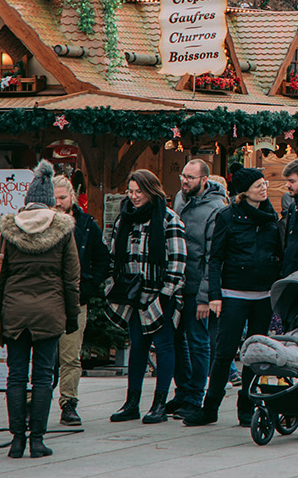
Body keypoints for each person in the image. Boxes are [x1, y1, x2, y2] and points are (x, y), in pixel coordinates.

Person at [185, 166, 282, 427]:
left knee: (254, 353)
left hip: (263, 294)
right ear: (245, 191)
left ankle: (246, 406)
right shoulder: (228, 216)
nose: (264, 187)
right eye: (258, 184)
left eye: (265, 183)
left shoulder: (271, 216)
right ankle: (210, 407)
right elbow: (215, 258)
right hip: (234, 293)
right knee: (224, 351)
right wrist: (213, 295)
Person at [0, 160, 80, 459]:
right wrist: (71, 316)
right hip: (49, 310)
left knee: (16, 375)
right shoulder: (63, 230)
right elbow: (72, 279)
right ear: (48, 202)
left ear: (27, 199)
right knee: (43, 376)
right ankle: (37, 441)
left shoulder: (9, 228)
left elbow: (0, 275)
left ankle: (17, 440)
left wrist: (0, 309)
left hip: (15, 311)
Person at [105, 169, 187, 424]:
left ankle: (160, 403)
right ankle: (132, 402)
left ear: (151, 190)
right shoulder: (124, 219)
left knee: (164, 346)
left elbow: (178, 259)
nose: (134, 196)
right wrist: (112, 283)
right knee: (137, 346)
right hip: (132, 291)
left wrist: (166, 293)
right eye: (131, 191)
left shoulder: (168, 219)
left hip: (160, 292)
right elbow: (113, 252)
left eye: (139, 191)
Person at [170, 158, 227, 419]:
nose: (185, 181)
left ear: (204, 180)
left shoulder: (215, 209)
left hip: (196, 285)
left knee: (197, 341)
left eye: (190, 177)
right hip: (176, 281)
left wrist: (205, 296)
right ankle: (182, 391)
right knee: (176, 339)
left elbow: (212, 256)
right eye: (183, 175)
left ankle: (195, 396)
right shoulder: (180, 199)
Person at [52, 173, 107, 427]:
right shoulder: (42, 222)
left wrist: (89, 285)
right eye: (54, 198)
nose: (58, 202)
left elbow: (103, 259)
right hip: (46, 299)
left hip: (75, 298)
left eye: (63, 197)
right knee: (39, 355)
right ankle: (32, 402)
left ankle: (69, 404)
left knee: (70, 355)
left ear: (72, 196)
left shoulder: (85, 224)